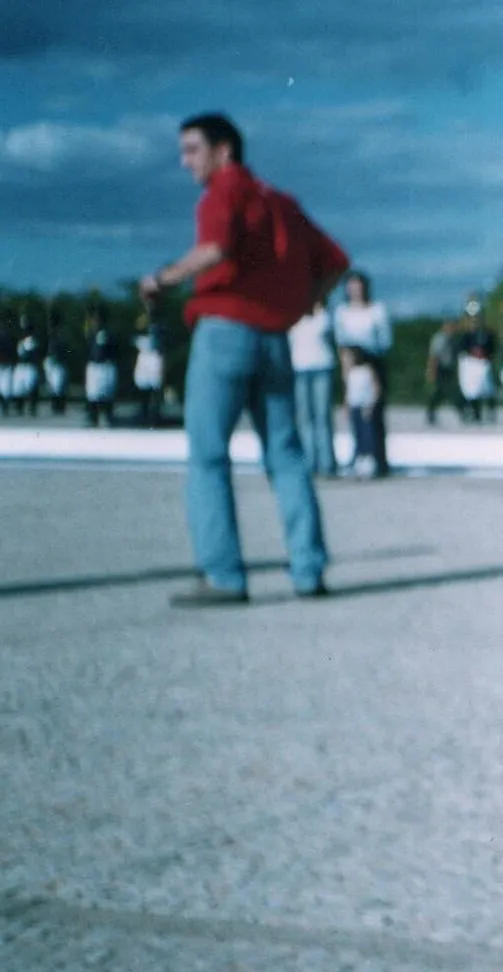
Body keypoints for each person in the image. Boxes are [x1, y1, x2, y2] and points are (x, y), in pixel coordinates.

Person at [138, 112, 349, 606]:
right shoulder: (282, 203)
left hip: (224, 331)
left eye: (192, 150)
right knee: (286, 454)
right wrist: (300, 305)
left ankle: (224, 576)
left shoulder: (223, 193)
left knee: (208, 455)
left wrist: (162, 278)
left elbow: (215, 249)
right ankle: (308, 569)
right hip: (273, 337)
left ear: (224, 150)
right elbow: (336, 262)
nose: (184, 161)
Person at [333, 271, 391, 473]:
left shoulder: (377, 310)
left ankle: (378, 456)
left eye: (359, 285)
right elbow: (341, 343)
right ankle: (360, 453)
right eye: (352, 286)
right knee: (355, 412)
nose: (356, 290)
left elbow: (385, 341)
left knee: (373, 412)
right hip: (352, 365)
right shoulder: (342, 312)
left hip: (372, 364)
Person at [288, 300, 339, 476]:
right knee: (304, 418)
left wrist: (317, 305)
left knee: (322, 416)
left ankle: (327, 463)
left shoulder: (324, 316)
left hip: (322, 367)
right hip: (299, 369)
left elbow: (329, 332)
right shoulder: (293, 317)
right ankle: (309, 462)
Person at [340, 345, 384, 477]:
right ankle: (358, 459)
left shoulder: (366, 370)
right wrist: (346, 406)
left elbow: (375, 388)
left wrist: (371, 405)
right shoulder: (350, 373)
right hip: (354, 406)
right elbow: (348, 392)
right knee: (357, 433)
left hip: (365, 406)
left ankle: (369, 460)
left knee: (367, 434)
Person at [456, 296, 497, 423]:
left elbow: (493, 349)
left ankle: (490, 413)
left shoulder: (488, 333)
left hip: (483, 363)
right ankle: (476, 415)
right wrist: (472, 353)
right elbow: (462, 349)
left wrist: (485, 356)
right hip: (471, 364)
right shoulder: (465, 334)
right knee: (472, 390)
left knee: (486, 388)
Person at [83, 301, 120, 428]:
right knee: (93, 392)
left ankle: (108, 416)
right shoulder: (91, 333)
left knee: (107, 392)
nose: (95, 320)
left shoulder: (109, 332)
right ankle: (93, 417)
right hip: (94, 367)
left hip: (106, 366)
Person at [130, 310, 167, 427]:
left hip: (154, 356)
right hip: (144, 356)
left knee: (155, 386)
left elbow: (161, 340)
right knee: (142, 385)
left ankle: (155, 414)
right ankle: (144, 412)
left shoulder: (158, 327)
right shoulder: (141, 322)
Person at [424, 317, 459, 426]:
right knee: (444, 390)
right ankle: (431, 411)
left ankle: (431, 411)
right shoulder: (439, 338)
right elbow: (434, 356)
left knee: (442, 391)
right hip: (440, 368)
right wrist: (431, 371)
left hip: (448, 368)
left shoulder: (452, 338)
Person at [13, 312, 44, 417]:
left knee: (31, 387)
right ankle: (19, 407)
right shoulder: (21, 341)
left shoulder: (32, 340)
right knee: (18, 388)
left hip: (29, 367)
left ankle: (32, 408)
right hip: (21, 366)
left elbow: (31, 354)